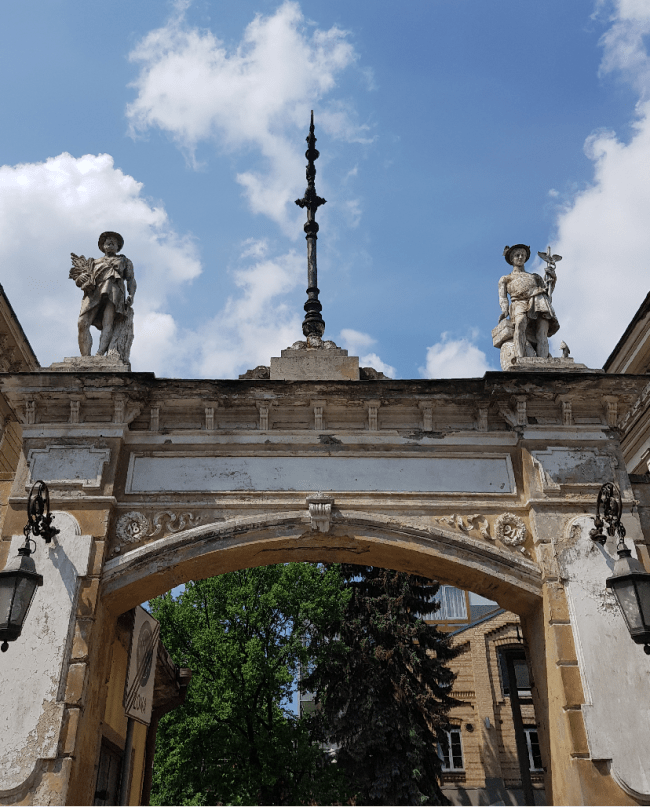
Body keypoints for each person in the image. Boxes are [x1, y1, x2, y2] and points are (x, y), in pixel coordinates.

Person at [75, 232, 136, 357]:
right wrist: (80, 278)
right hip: (94, 292)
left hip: (114, 291)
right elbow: (80, 281)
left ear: (118, 247)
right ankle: (86, 357)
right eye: (108, 240)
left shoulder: (124, 261)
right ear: (102, 245)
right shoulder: (93, 262)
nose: (111, 242)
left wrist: (131, 295)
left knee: (108, 323)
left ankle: (100, 354)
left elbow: (131, 279)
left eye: (114, 241)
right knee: (82, 322)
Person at [498, 244, 559, 359]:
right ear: (512, 259)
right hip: (518, 302)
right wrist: (504, 310)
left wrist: (552, 279)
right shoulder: (506, 278)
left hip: (538, 301)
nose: (521, 257)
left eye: (523, 255)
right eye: (517, 255)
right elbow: (502, 297)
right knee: (520, 322)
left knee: (542, 331)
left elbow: (548, 293)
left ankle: (543, 361)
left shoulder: (535, 277)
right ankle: (520, 357)